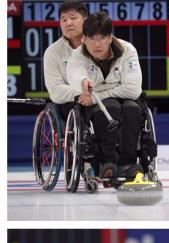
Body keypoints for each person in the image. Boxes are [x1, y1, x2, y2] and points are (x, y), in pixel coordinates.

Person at [67, 11, 145, 180]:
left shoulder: (127, 50)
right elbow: (75, 75)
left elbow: (132, 89)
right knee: (111, 106)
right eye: (92, 38)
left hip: (122, 99)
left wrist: (97, 94)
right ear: (84, 39)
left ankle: (128, 164)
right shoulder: (78, 55)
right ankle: (107, 163)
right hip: (99, 105)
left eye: (102, 37)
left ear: (110, 38)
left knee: (132, 109)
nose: (97, 44)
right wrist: (83, 83)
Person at [43, 1, 87, 119]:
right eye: (64, 20)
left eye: (73, 18)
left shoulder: (98, 46)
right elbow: (55, 90)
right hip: (70, 104)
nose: (69, 23)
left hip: (102, 99)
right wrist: (85, 93)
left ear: (85, 20)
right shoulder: (52, 52)